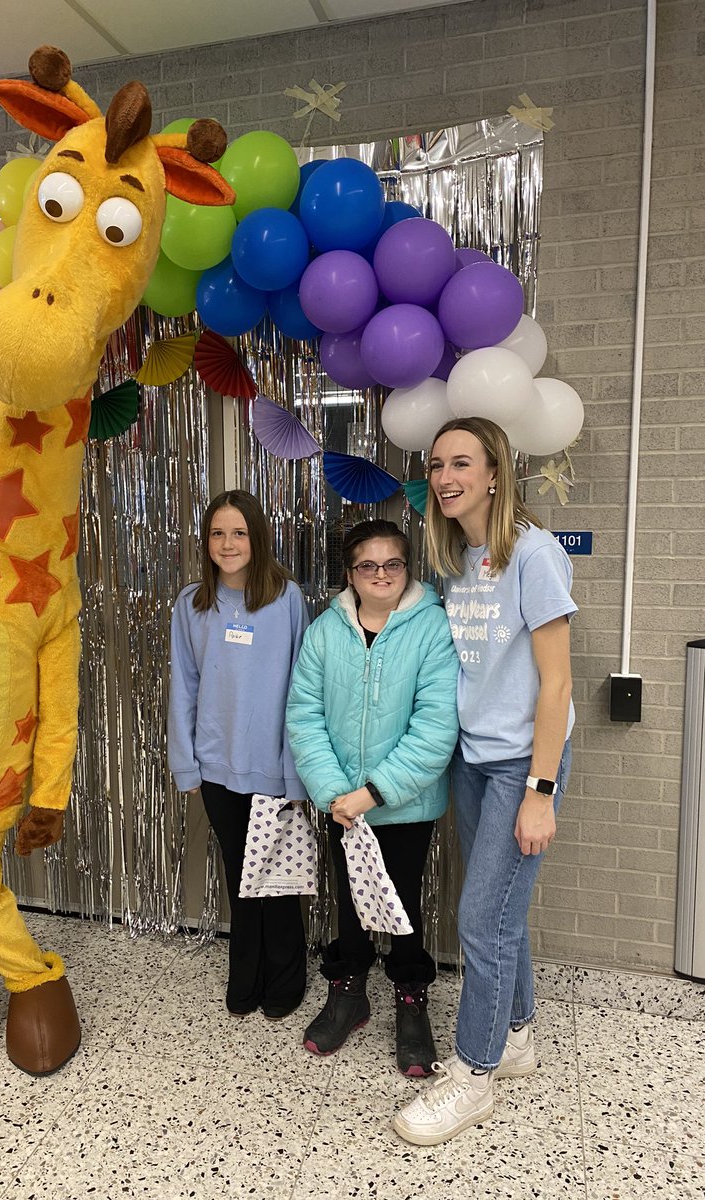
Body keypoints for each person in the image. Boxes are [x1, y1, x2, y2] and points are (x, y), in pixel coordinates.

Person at [393, 416, 576, 1146]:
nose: (445, 476)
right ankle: (519, 1037)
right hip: (472, 758)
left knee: (480, 922)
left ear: (495, 473)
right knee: (500, 913)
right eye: (436, 464)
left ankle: (473, 1076)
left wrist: (540, 791)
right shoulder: (458, 558)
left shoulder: (534, 554)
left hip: (522, 764)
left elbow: (558, 684)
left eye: (461, 462)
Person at [286, 519, 459, 1075]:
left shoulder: (432, 628)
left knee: (403, 903)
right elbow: (304, 715)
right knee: (349, 900)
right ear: (351, 573)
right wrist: (337, 794)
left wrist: (374, 793)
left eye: (393, 564)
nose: (381, 574)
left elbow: (436, 726)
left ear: (407, 570)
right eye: (368, 565)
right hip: (340, 803)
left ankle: (411, 997)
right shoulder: (325, 631)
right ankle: (349, 990)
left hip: (404, 804)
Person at [168, 489, 310, 1020]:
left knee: (277, 878)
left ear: (257, 537)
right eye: (218, 533)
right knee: (240, 876)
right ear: (206, 542)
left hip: (272, 766)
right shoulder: (192, 604)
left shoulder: (286, 597)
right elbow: (183, 686)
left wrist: (296, 775)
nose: (228, 544)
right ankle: (244, 973)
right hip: (216, 767)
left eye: (239, 532)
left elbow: (302, 687)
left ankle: (286, 977)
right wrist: (186, 763)